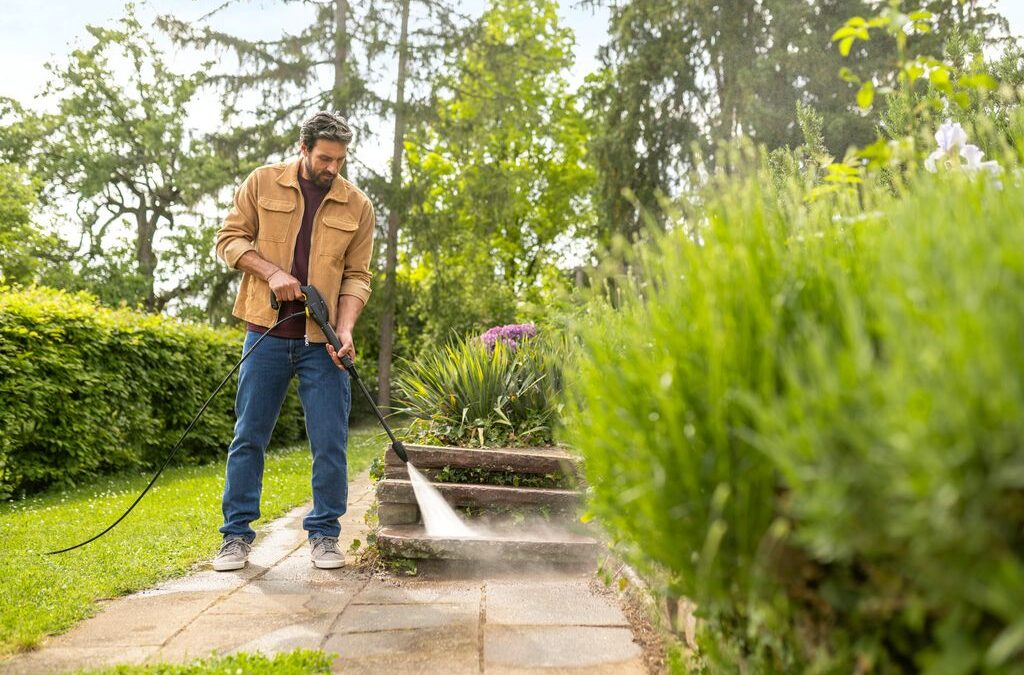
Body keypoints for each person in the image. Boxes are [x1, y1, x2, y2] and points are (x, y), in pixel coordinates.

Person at [211, 111, 374, 571]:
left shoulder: (357, 205)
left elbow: (358, 276)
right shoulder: (263, 183)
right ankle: (236, 536)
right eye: (324, 158)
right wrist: (272, 272)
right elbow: (228, 240)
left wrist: (344, 329)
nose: (332, 169)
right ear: (303, 149)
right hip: (264, 335)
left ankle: (325, 535)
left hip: (320, 343)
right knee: (249, 437)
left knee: (329, 442)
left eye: (340, 160)